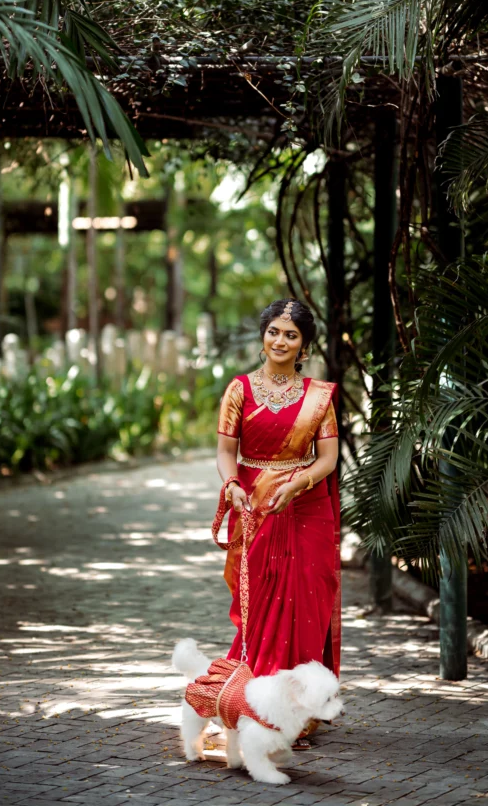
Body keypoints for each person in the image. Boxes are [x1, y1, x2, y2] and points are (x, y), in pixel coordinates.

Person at [216, 298, 341, 749]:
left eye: (291, 335)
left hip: (307, 506)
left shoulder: (318, 397)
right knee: (261, 604)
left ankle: (298, 713)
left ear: (304, 346)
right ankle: (258, 703)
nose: (280, 340)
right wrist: (231, 484)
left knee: (308, 603)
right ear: (263, 336)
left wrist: (297, 484)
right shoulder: (239, 390)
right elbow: (226, 451)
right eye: (274, 331)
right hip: (254, 503)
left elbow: (328, 460)